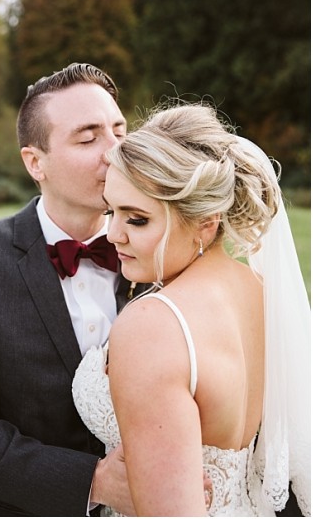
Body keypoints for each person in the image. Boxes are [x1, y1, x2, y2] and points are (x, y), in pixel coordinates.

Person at [0, 62, 144, 516]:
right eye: (88, 137)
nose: (116, 152)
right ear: (34, 162)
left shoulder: (164, 256)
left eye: (120, 131)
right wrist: (93, 482)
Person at [72, 102, 310, 516]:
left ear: (206, 221)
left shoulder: (154, 326)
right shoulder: (258, 291)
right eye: (112, 211)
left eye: (138, 219)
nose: (112, 234)